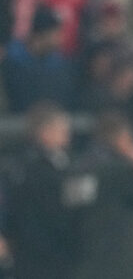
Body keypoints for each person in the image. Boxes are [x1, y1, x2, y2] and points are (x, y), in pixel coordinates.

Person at [75, 110, 133, 279]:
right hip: (122, 255)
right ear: (121, 136)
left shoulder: (82, 166)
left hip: (88, 253)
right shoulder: (122, 170)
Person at [5, 102, 76, 279]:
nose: (67, 133)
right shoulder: (28, 167)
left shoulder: (67, 162)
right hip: (39, 248)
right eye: (60, 128)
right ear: (44, 132)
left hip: (54, 247)